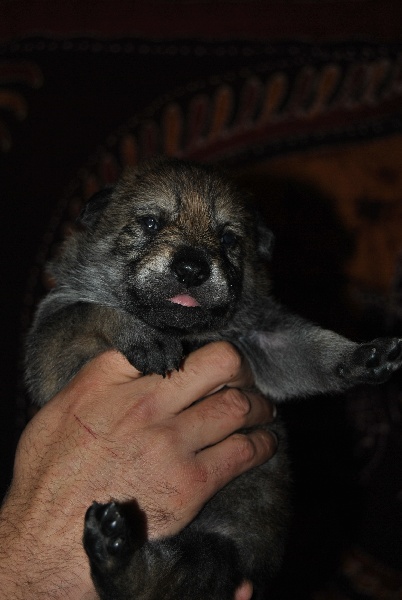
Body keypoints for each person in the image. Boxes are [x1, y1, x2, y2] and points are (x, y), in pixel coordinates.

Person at [0, 342, 278, 600]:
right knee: (207, 565)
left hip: (229, 531)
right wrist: (32, 562)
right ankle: (137, 579)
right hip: (218, 543)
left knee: (211, 563)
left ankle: (137, 579)